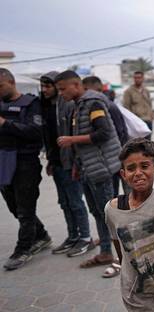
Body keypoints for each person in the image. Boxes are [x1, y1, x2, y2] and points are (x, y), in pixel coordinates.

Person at [105, 138, 154, 311]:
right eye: (131, 168)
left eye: (144, 166)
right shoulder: (112, 210)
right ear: (123, 174)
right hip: (137, 293)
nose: (138, 173)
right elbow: (117, 241)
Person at [55, 70, 121, 271]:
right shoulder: (78, 106)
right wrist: (77, 165)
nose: (61, 94)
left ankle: (122, 258)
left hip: (101, 168)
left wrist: (71, 140)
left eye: (63, 89)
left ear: (76, 85)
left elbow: (103, 133)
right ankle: (106, 253)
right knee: (97, 212)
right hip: (87, 169)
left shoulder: (93, 103)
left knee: (110, 215)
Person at [0, 68, 51, 270]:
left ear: (11, 82)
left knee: (25, 208)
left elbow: (35, 132)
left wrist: (6, 125)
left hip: (25, 163)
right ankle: (42, 235)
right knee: (14, 206)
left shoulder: (31, 104)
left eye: (0, 86)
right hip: (4, 161)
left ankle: (23, 248)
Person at [40, 71, 93, 257]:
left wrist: (75, 163)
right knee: (64, 202)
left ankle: (85, 238)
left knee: (75, 201)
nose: (44, 90)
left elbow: (73, 135)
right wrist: (50, 160)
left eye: (49, 86)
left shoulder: (70, 106)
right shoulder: (46, 106)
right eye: (43, 86)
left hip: (70, 163)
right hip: (56, 162)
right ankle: (72, 236)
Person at [82, 76, 130, 197]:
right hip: (115, 157)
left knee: (116, 196)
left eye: (85, 89)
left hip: (115, 157)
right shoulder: (104, 104)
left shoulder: (104, 105)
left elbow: (119, 132)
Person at [123, 71, 153, 140]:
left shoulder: (146, 91)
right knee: (138, 144)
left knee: (148, 143)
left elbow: (150, 104)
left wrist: (151, 115)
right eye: (135, 78)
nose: (137, 79)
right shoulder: (128, 91)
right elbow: (126, 108)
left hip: (148, 120)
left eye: (139, 77)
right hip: (137, 122)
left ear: (143, 78)